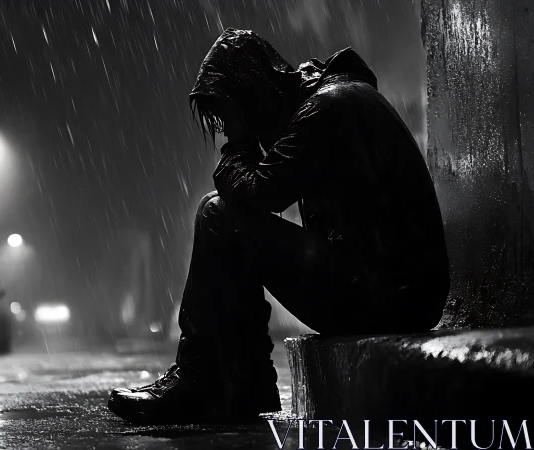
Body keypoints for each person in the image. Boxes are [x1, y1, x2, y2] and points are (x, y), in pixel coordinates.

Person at [107, 28, 450, 424]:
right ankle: (233, 381)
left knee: (218, 215)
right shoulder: (334, 99)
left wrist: (236, 148)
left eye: (235, 117)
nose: (241, 133)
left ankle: (207, 379)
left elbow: (260, 194)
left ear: (255, 94)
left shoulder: (327, 107)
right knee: (221, 213)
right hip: (395, 293)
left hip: (388, 299)